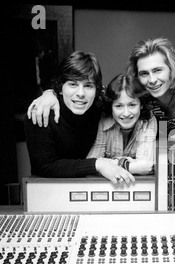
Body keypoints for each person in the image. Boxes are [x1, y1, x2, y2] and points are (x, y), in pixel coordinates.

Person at [27, 37, 175, 136]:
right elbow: (89, 89)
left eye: (157, 70)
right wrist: (50, 92)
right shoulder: (138, 95)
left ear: (171, 68)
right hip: (156, 160)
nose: (152, 80)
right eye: (144, 73)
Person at [24, 51, 134, 184]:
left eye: (88, 86)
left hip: (91, 189)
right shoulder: (42, 113)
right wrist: (97, 164)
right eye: (73, 84)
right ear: (60, 87)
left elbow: (134, 99)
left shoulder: (100, 106)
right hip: (49, 192)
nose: (81, 93)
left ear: (96, 90)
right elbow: (45, 166)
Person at [87, 73, 157, 176]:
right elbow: (92, 164)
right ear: (111, 106)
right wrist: (128, 164)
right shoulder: (102, 120)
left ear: (141, 105)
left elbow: (146, 166)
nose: (126, 113)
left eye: (132, 105)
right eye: (119, 106)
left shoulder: (148, 119)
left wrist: (109, 164)